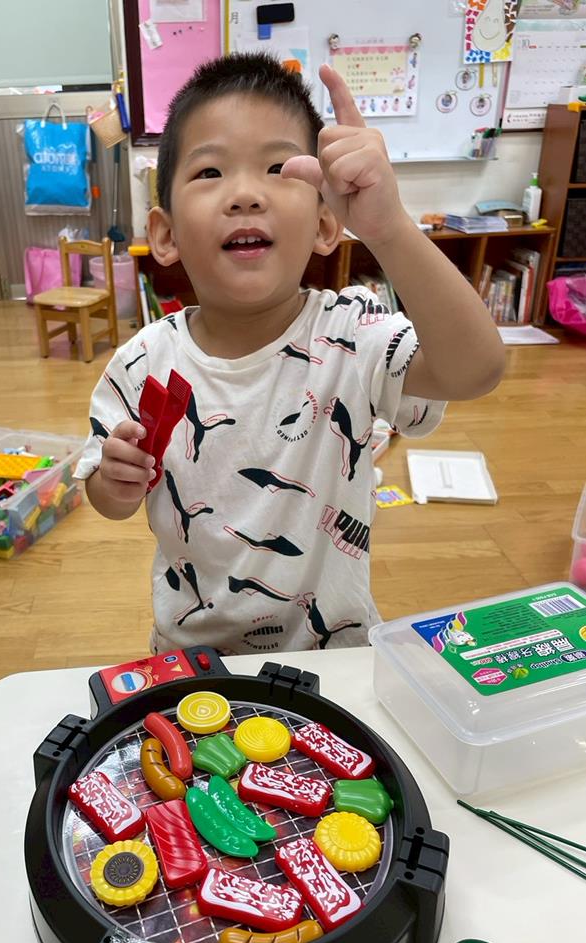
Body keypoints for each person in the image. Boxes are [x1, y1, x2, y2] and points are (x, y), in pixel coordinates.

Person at [76, 53, 505, 655]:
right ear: (166, 234)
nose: (246, 195)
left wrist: (388, 228)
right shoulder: (141, 361)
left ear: (327, 225)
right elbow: (104, 496)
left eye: (278, 168)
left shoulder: (354, 333)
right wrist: (115, 484)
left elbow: (477, 370)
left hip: (336, 654)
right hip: (194, 654)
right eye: (209, 172)